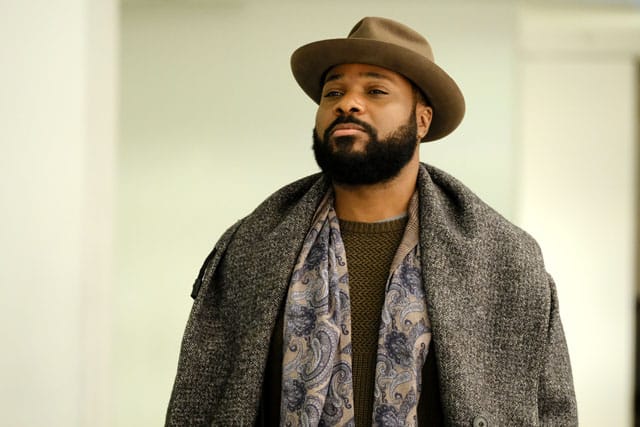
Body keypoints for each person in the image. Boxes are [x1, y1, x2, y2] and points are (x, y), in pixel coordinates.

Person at [166, 17, 577, 426]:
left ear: (422, 120)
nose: (348, 103)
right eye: (334, 92)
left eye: (376, 91)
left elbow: (552, 410)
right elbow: (201, 400)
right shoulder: (251, 248)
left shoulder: (502, 259)